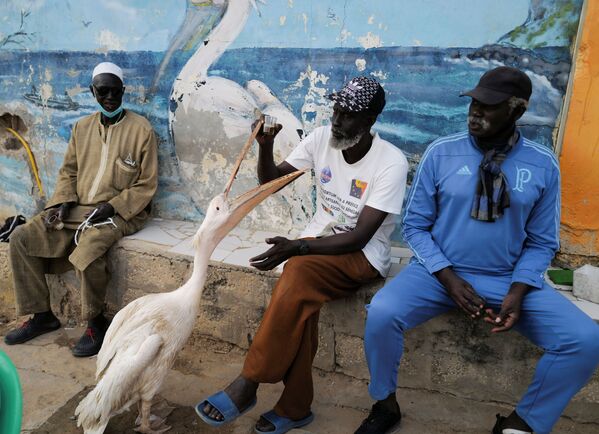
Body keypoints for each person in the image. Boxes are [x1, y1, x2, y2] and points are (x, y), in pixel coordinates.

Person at [355, 66, 599, 434]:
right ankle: (385, 402)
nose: (476, 113)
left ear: (517, 110)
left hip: (508, 279)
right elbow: (415, 226)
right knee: (382, 313)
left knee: (584, 340)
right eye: (474, 104)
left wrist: (518, 291)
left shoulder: (542, 164)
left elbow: (542, 241)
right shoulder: (441, 154)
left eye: (489, 106)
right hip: (439, 275)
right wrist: (447, 277)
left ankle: (522, 423)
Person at [196, 76, 409, 433]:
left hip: (362, 257)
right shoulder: (322, 139)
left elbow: (359, 237)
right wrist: (265, 146)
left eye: (348, 115)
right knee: (302, 304)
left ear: (370, 121)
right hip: (317, 248)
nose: (337, 121)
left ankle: (250, 380)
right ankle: (295, 408)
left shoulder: (391, 162)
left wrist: (297, 247)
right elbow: (272, 181)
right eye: (336, 110)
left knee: (297, 271)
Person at [4, 62, 158, 357]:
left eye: (115, 90)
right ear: (93, 92)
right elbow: (68, 173)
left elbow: (145, 185)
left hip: (121, 213)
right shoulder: (82, 127)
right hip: (78, 209)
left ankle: (95, 322)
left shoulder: (142, 130)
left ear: (123, 91)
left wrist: (111, 207)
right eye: (103, 90)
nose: (110, 96)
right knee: (22, 237)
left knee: (88, 249)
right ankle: (42, 316)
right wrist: (61, 203)